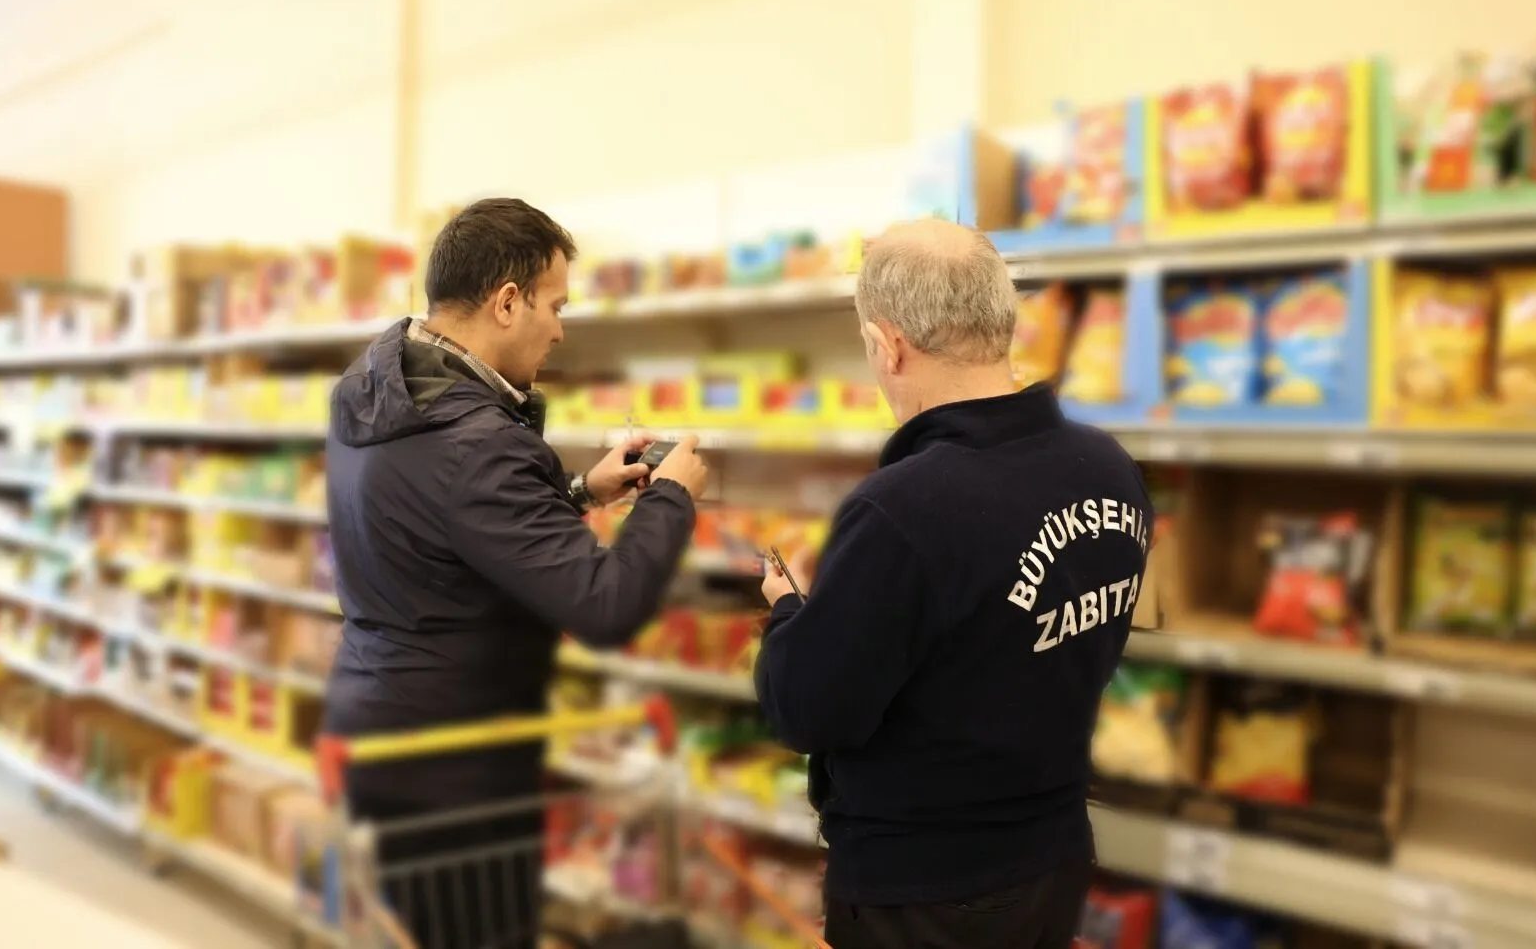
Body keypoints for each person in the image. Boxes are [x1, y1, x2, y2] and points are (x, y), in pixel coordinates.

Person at [754, 219, 1152, 949]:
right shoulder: (1109, 468)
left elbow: (806, 714)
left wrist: (789, 615)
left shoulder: (900, 511)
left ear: (887, 345)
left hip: (923, 890)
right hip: (1055, 857)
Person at [323, 197, 707, 948]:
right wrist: (670, 499)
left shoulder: (377, 391)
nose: (561, 328)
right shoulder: (476, 443)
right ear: (507, 302)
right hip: (453, 764)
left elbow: (441, 531)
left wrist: (574, 495)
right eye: (556, 305)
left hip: (381, 726)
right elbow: (605, 605)